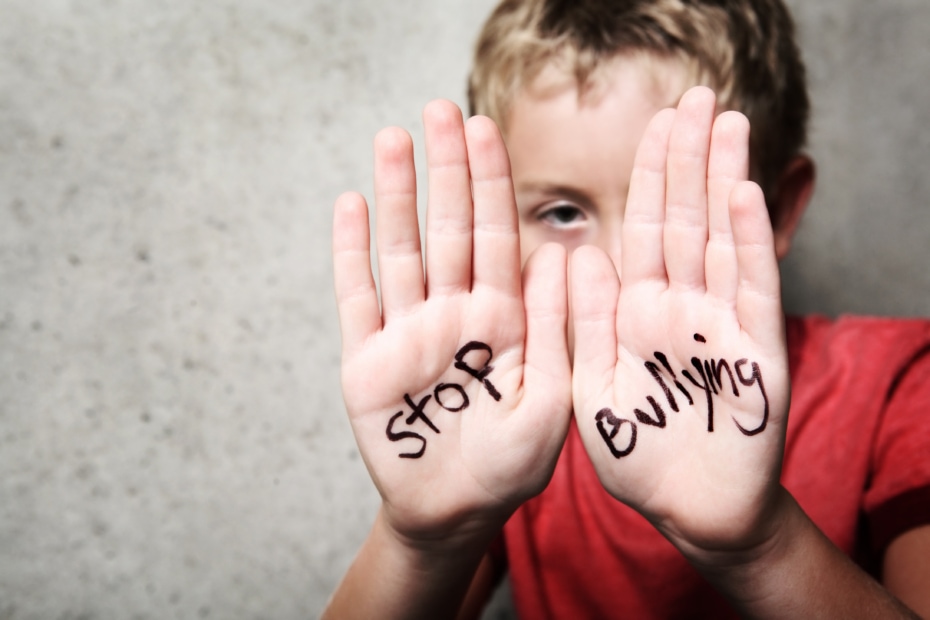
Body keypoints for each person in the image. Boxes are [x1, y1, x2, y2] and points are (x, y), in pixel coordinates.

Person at [324, 0, 930, 617]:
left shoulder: (898, 385)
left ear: (781, 206)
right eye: (562, 213)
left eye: (672, 207)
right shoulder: (500, 420)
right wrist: (422, 542)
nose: (610, 269)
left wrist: (762, 544)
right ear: (497, 217)